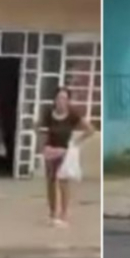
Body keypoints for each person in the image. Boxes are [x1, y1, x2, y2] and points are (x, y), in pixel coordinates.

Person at [37, 87, 96, 228]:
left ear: (68, 101)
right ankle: (52, 213)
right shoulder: (48, 114)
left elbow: (90, 130)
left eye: (64, 98)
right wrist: (41, 147)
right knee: (50, 182)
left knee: (63, 183)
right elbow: (39, 128)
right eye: (59, 98)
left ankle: (64, 213)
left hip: (65, 152)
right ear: (55, 100)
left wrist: (76, 142)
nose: (61, 101)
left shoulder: (72, 115)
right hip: (50, 151)